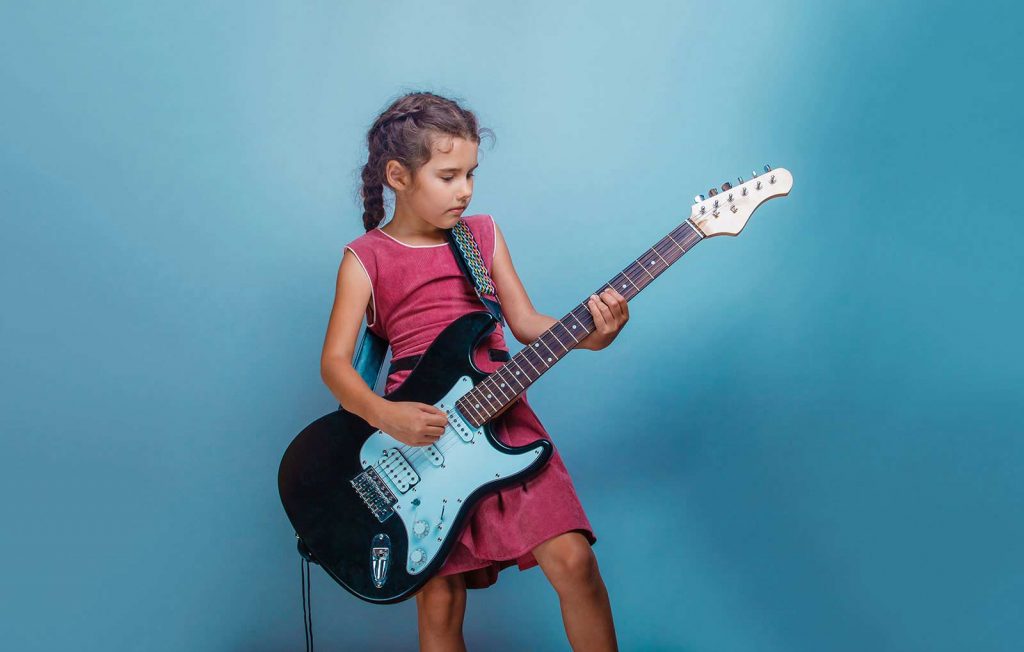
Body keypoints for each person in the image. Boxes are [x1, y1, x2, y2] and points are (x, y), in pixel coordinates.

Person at [320, 91, 627, 651]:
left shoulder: (480, 235)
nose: (465, 190)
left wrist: (593, 334)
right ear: (398, 176)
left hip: (504, 415)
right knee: (441, 602)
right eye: (448, 175)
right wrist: (386, 416)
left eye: (471, 174)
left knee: (573, 561)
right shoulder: (365, 258)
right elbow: (335, 365)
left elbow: (528, 322)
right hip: (418, 438)